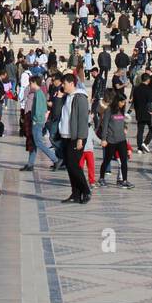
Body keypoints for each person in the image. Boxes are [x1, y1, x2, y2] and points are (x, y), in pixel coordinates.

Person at [57, 71, 90, 204]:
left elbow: (82, 119)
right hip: (65, 136)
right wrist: (59, 98)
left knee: (73, 165)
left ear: (71, 83)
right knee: (70, 166)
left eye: (64, 84)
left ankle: (86, 190)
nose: (62, 86)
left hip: (76, 137)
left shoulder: (80, 97)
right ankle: (75, 194)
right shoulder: (67, 97)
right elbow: (59, 114)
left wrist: (80, 138)